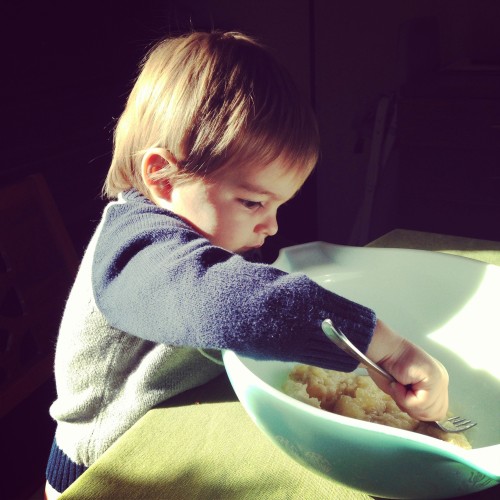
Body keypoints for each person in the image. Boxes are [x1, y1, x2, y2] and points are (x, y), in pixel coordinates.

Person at [45, 30, 448, 498]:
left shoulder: (197, 222)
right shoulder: (135, 252)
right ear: (163, 175)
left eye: (278, 205)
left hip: (180, 439)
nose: (272, 226)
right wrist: (388, 348)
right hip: (109, 468)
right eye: (254, 203)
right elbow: (227, 302)